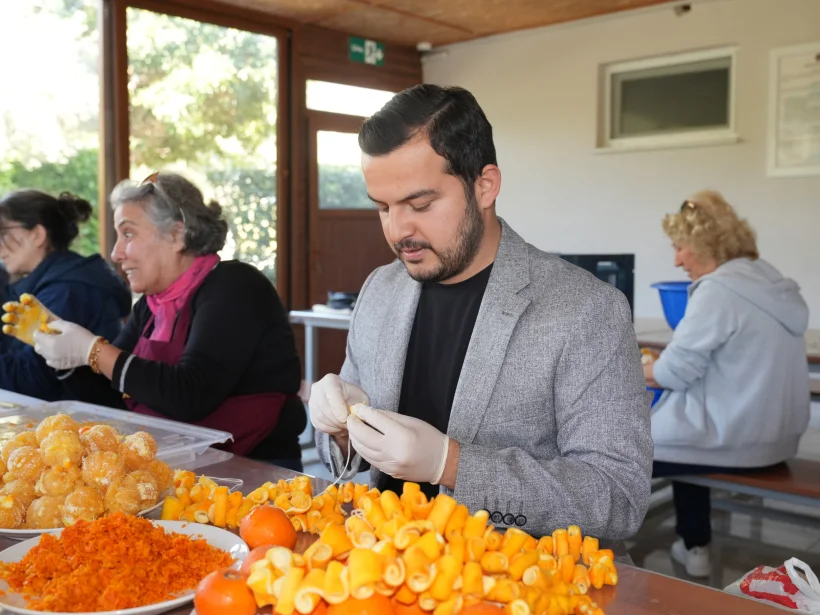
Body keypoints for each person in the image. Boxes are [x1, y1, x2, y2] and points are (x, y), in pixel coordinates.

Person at [309, 84, 653, 541]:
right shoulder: (380, 290)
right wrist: (338, 430)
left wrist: (450, 464)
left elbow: (617, 498)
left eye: (421, 204)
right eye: (383, 208)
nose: (398, 231)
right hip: (388, 569)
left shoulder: (586, 310)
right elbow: (351, 457)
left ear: (485, 185)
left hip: (517, 585)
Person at [33, 173, 306, 469]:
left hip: (255, 470)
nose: (115, 253)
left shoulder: (234, 286)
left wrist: (94, 351)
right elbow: (113, 397)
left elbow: (191, 394)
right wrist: (64, 357)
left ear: (177, 235)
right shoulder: (151, 306)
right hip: (175, 466)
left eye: (128, 234)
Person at [644, 191, 810, 577]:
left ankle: (589, 548)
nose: (677, 260)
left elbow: (672, 374)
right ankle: (693, 543)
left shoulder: (718, 290)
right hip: (777, 439)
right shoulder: (769, 282)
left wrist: (625, 367)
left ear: (703, 243)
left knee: (623, 443)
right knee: (685, 424)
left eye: (680, 247)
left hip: (737, 440)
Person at [0, 189, 131, 400]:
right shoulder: (57, 278)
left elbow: (31, 381)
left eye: (3, 232)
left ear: (37, 235)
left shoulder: (66, 290)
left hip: (82, 425)